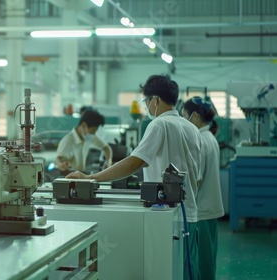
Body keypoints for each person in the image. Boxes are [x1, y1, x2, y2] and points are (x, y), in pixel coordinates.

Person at [66, 74, 202, 280]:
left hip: (167, 216)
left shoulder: (159, 125)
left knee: (164, 271)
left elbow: (135, 161)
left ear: (155, 100)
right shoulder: (191, 128)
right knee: (184, 272)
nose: (146, 107)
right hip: (190, 214)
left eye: (146, 101)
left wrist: (91, 178)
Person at [183, 97, 224, 280]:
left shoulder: (199, 140)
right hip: (210, 210)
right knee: (208, 260)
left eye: (185, 116)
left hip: (201, 212)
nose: (184, 120)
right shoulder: (210, 137)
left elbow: (195, 181)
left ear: (195, 116)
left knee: (200, 262)